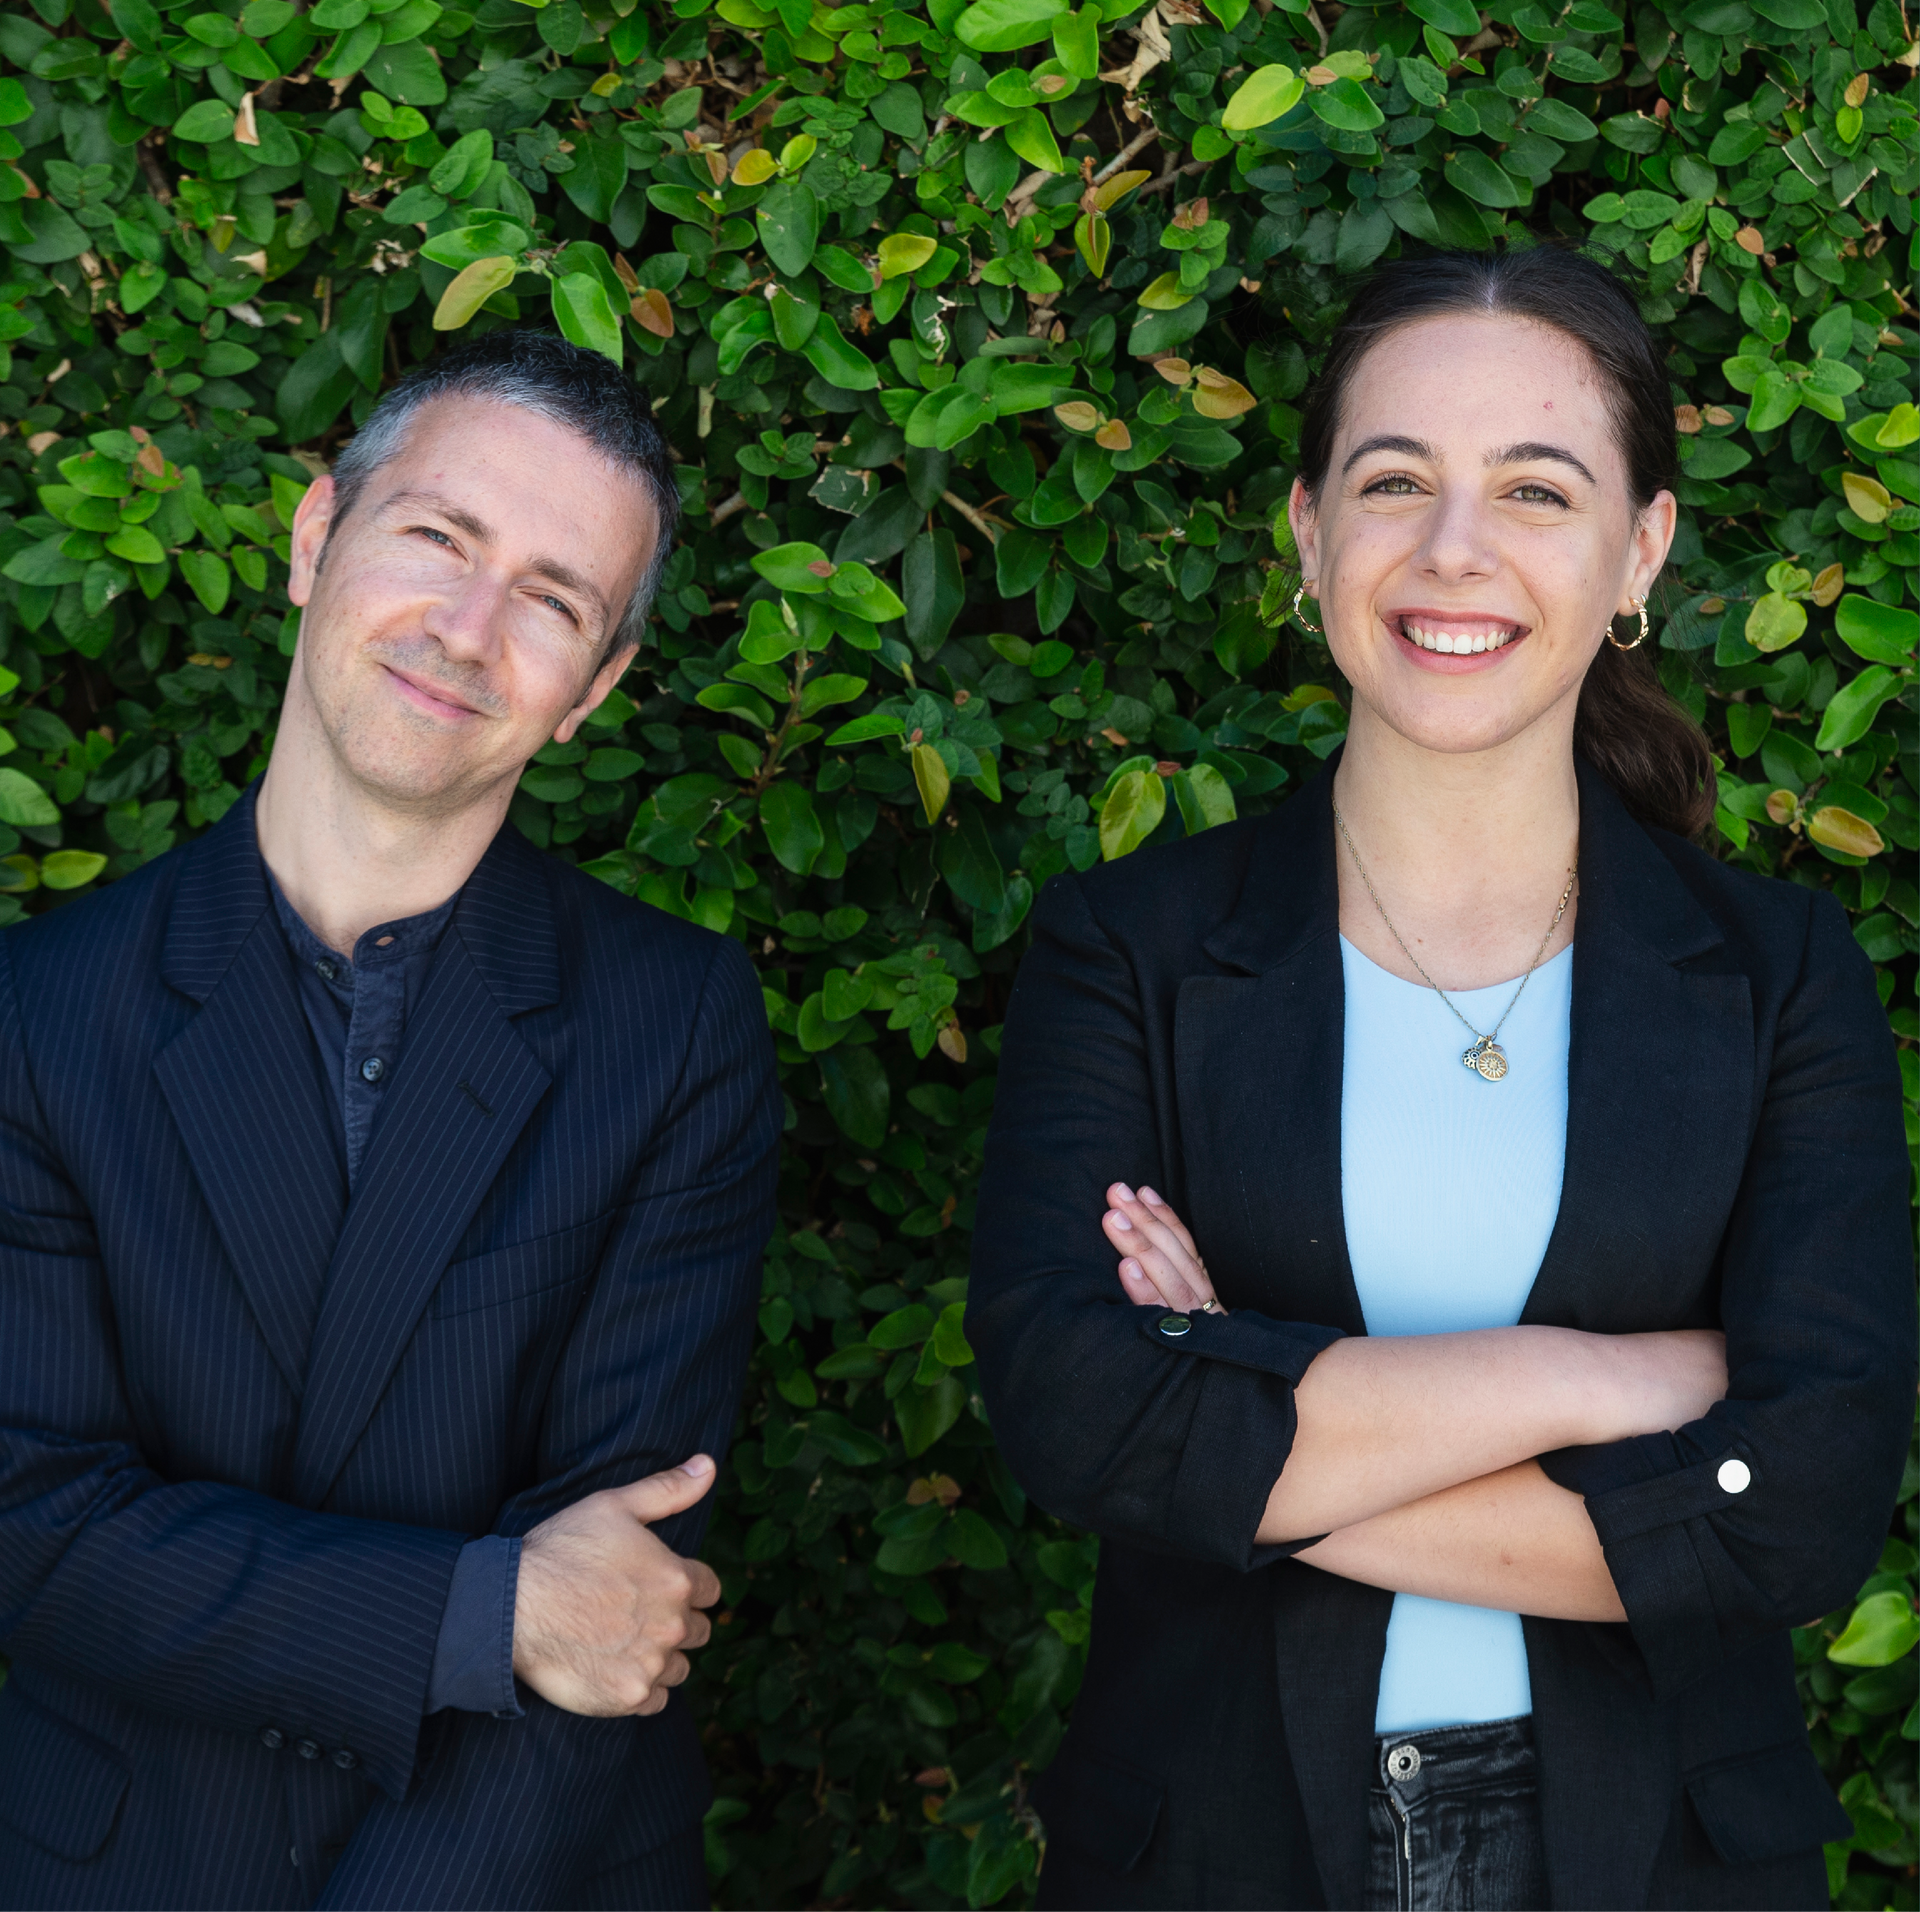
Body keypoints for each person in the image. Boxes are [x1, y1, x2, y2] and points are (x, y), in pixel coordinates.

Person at [968, 245, 1914, 1912]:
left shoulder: (1777, 975)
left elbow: (1805, 1507)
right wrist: (1603, 1383)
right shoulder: (1130, 948)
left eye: (1536, 489)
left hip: (1664, 1865)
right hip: (1220, 1857)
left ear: (1642, 550)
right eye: (1394, 480)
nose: (1453, 549)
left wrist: (1227, 1425)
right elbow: (1074, 1410)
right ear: (1308, 529)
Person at [0, 332, 784, 1911]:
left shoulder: (674, 1026)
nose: (468, 632)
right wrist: (483, 1613)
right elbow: (36, 1527)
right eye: (438, 536)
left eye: (555, 601)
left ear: (594, 690)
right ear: (315, 539)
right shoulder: (36, 1014)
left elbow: (616, 1592)